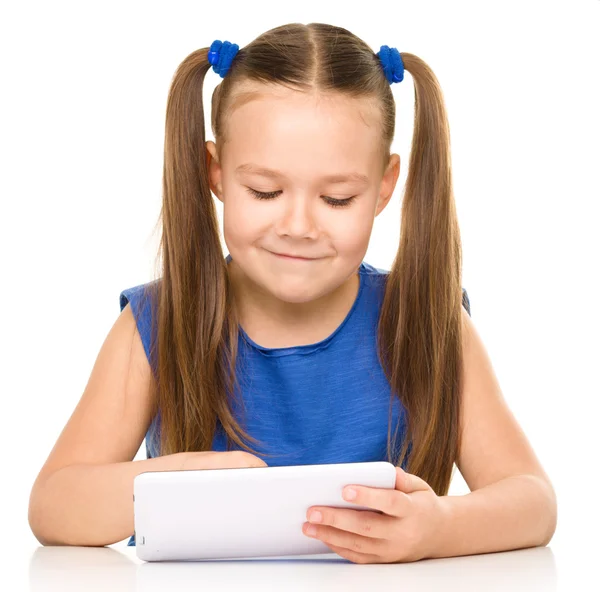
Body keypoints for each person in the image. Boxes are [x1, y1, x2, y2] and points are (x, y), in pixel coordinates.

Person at [28, 22, 556, 563]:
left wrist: (440, 527)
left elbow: (532, 502)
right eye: (265, 191)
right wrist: (177, 476)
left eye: (337, 198)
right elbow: (53, 505)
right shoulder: (155, 323)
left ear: (383, 188)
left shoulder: (425, 321)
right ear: (216, 173)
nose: (299, 225)